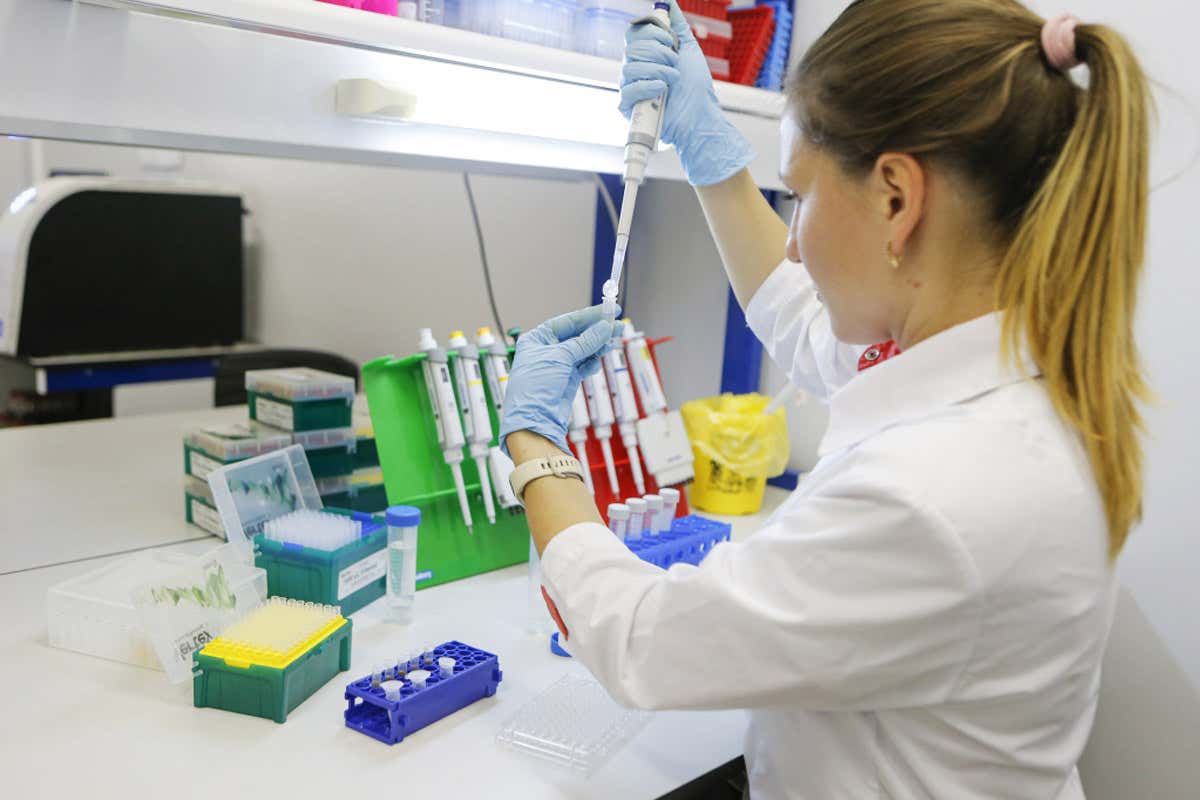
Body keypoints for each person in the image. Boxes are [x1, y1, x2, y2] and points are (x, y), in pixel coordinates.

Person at [499, 1, 1150, 796]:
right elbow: (806, 317)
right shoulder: (1013, 361)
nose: (796, 239)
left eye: (800, 195)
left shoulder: (936, 493)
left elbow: (639, 641)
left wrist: (536, 446)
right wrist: (709, 155)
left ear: (897, 200)